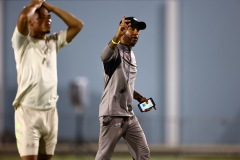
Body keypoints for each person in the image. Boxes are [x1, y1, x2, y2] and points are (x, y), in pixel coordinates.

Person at [11, 0, 84, 159]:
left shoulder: (53, 42)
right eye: (42, 17)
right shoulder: (22, 43)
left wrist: (52, 8)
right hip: (28, 113)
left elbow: (78, 25)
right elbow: (23, 17)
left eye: (49, 16)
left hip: (51, 113)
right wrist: (35, 4)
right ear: (31, 22)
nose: (48, 19)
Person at [95, 16, 155, 160]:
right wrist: (117, 36)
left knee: (143, 153)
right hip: (112, 114)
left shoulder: (131, 54)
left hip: (129, 115)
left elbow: (126, 85)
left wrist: (140, 98)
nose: (136, 33)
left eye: (138, 30)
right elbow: (104, 56)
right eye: (132, 28)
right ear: (123, 30)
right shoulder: (115, 51)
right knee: (103, 157)